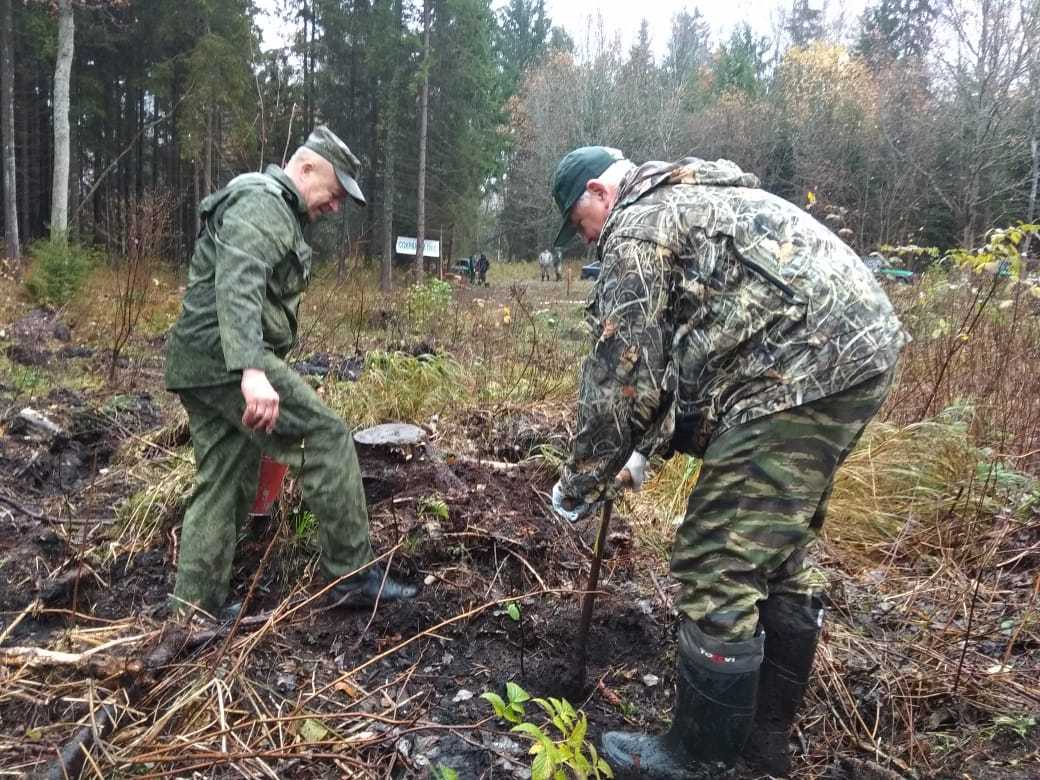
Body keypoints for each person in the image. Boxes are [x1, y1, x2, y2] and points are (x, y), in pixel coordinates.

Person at [548, 146, 909, 778]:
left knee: (717, 559)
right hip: (856, 353)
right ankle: (761, 746)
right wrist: (639, 457)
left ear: (600, 194)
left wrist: (581, 480)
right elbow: (687, 355)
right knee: (775, 550)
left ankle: (700, 759)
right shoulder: (693, 201)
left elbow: (620, 379)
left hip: (792, 371)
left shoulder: (637, 229)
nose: (589, 242)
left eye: (581, 226)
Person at [164, 126, 418, 621]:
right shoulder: (264, 202)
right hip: (225, 359)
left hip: (201, 362)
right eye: (335, 191)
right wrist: (252, 371)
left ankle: (193, 610)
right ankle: (351, 576)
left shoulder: (270, 206)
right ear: (305, 168)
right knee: (326, 437)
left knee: (223, 479)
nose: (336, 206)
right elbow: (237, 283)